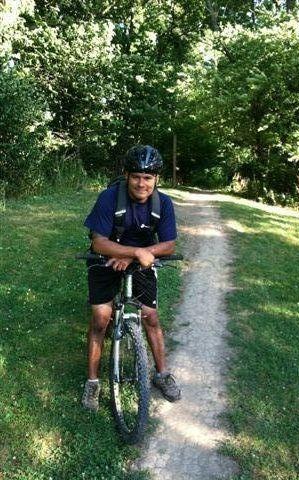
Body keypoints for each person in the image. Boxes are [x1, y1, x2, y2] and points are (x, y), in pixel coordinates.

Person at [82, 145, 181, 412]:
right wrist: (135, 251)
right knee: (101, 319)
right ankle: (92, 382)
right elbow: (99, 243)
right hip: (104, 260)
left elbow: (169, 244)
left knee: (150, 316)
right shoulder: (109, 198)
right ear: (126, 175)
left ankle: (162, 374)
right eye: (136, 176)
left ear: (157, 179)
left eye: (148, 178)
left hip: (140, 260)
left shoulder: (163, 203)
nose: (142, 183)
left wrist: (137, 256)